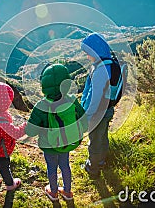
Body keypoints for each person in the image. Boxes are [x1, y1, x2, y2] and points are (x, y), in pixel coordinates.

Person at [25, 64, 87, 201]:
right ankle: (67, 192)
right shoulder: (72, 100)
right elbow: (84, 121)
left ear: (44, 85)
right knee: (65, 166)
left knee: (52, 168)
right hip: (67, 143)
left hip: (49, 146)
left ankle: (53, 192)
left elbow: (30, 131)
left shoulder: (41, 106)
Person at [80, 32, 115, 179]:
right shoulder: (110, 64)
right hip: (108, 110)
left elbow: (94, 97)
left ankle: (93, 168)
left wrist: (87, 115)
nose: (87, 57)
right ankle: (102, 161)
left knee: (94, 141)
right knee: (102, 137)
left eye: (89, 53)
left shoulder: (100, 70)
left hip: (97, 113)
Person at [0, 82, 27, 190]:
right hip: (2, 149)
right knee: (4, 167)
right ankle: (10, 184)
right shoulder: (1, 120)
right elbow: (15, 133)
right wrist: (26, 126)